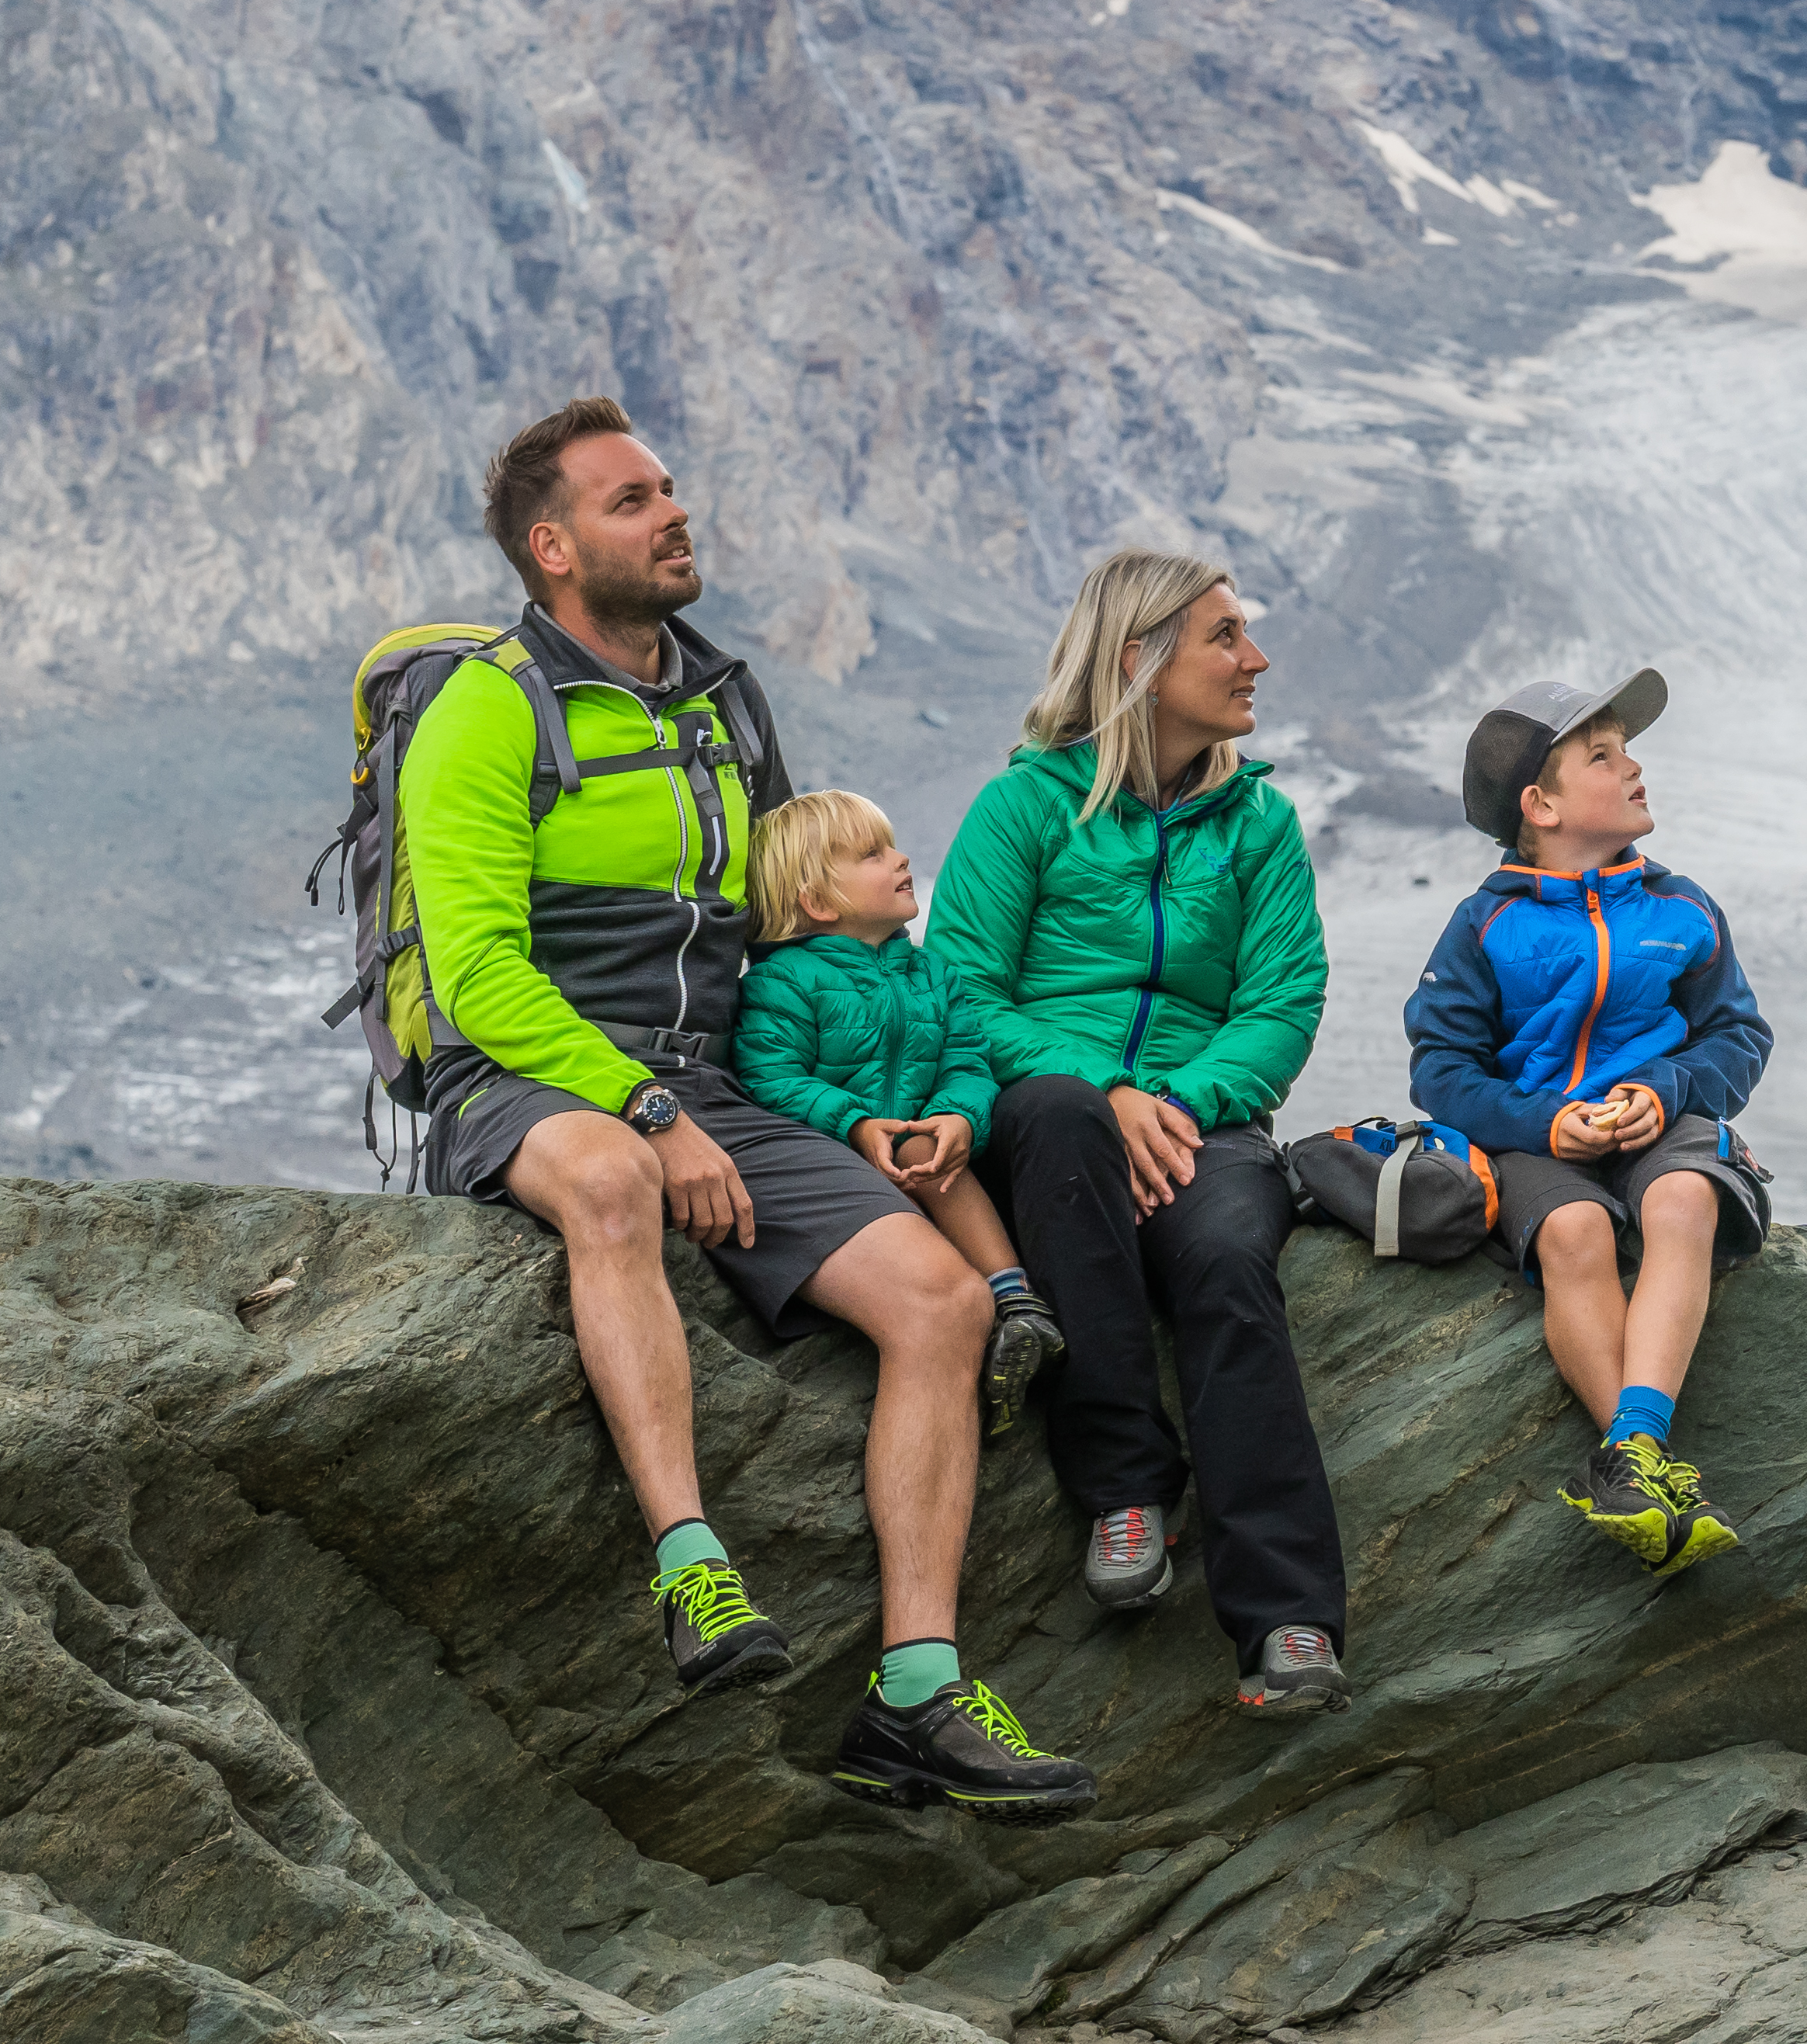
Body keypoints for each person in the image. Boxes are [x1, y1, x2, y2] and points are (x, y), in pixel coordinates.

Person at [400, 397, 1094, 1824]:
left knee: (947, 1307)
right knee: (610, 1187)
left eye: (669, 490)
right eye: (631, 500)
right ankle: (691, 1568)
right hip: (532, 1078)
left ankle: (915, 1695)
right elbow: (475, 974)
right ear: (551, 546)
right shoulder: (482, 708)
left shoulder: (725, 698)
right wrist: (651, 1109)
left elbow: (790, 934)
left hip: (717, 1084)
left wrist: (884, 1114)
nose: (672, 514)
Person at [930, 548, 1351, 1716]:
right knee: (1062, 1118)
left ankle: (1292, 1622)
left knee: (1225, 1261)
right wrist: (1111, 1089)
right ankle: (1124, 1485)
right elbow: (960, 989)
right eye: (1225, 636)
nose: (1254, 659)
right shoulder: (1025, 805)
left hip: (1201, 1125)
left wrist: (1179, 1106)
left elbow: (1283, 1003)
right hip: (1053, 1120)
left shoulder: (1256, 823)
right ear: (1140, 659)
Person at [1403, 670, 1773, 1579]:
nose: (1634, 766)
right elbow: (1440, 1069)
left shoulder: (1680, 906)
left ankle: (1633, 1452)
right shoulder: (1486, 924)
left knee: (1683, 1200)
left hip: (1664, 1124)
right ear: (1542, 803)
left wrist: (1668, 1088)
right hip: (1539, 1141)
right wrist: (1543, 1122)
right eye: (1603, 756)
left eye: (1627, 749)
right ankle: (1641, 1461)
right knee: (1574, 1231)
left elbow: (1739, 1033)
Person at [733, 786, 1068, 1431]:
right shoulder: (783, 983)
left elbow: (967, 1063)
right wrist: (853, 1121)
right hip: (838, 1163)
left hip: (919, 1155)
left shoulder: (935, 975)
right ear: (817, 901)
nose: (901, 858)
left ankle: (1017, 1305)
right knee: (912, 1152)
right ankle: (1003, 1304)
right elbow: (768, 1076)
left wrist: (958, 1117)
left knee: (928, 1149)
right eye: (872, 854)